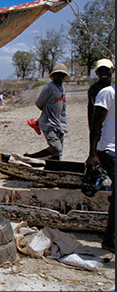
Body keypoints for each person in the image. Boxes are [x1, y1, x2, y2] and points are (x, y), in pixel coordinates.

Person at [86, 81, 115, 253]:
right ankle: (109, 240)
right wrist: (92, 153)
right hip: (108, 150)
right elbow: (95, 125)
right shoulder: (107, 93)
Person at [24, 63, 69, 160]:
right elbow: (39, 103)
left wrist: (64, 124)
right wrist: (48, 113)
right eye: (58, 75)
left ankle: (52, 169)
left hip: (59, 124)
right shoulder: (49, 88)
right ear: (53, 76)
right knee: (56, 148)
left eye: (62, 75)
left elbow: (63, 108)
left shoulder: (62, 89)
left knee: (58, 153)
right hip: (48, 123)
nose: (60, 77)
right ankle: (31, 157)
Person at [88, 59, 115, 129]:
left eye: (106, 69)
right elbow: (91, 113)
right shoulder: (94, 89)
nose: (103, 72)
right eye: (101, 70)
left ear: (112, 70)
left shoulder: (113, 89)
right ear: (96, 72)